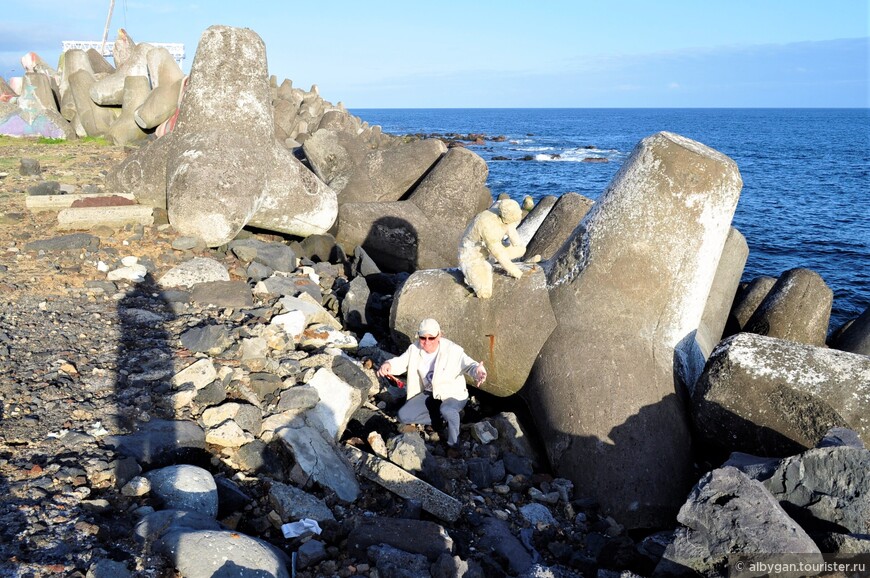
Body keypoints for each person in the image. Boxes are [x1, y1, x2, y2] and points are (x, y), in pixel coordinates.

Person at [377, 318, 486, 447]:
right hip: (430, 393)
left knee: (447, 410)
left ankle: (454, 443)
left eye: (431, 338)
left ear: (439, 335)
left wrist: (478, 371)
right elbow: (401, 362)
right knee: (403, 416)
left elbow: (469, 365)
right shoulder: (414, 349)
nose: (427, 342)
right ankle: (443, 420)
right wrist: (388, 364)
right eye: (423, 338)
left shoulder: (453, 350)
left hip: (453, 395)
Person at [458, 198, 540, 299]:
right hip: (472, 255)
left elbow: (510, 229)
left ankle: (491, 262)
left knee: (521, 250)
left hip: (489, 250)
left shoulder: (500, 212)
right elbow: (499, 253)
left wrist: (517, 244)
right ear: (507, 216)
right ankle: (473, 273)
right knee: (484, 293)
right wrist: (515, 271)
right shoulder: (488, 225)